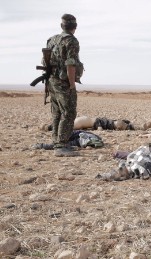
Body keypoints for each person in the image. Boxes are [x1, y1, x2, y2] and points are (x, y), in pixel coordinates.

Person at [46, 14, 84, 157]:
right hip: (63, 82)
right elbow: (70, 64)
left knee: (57, 112)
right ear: (75, 27)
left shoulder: (52, 39)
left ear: (62, 26)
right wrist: (72, 84)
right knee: (68, 112)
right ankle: (61, 145)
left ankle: (56, 141)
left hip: (51, 80)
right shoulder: (71, 41)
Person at [40, 116, 151, 131]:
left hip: (99, 121)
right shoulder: (77, 122)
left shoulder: (78, 122)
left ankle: (49, 127)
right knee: (119, 124)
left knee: (121, 123)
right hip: (98, 122)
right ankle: (141, 127)